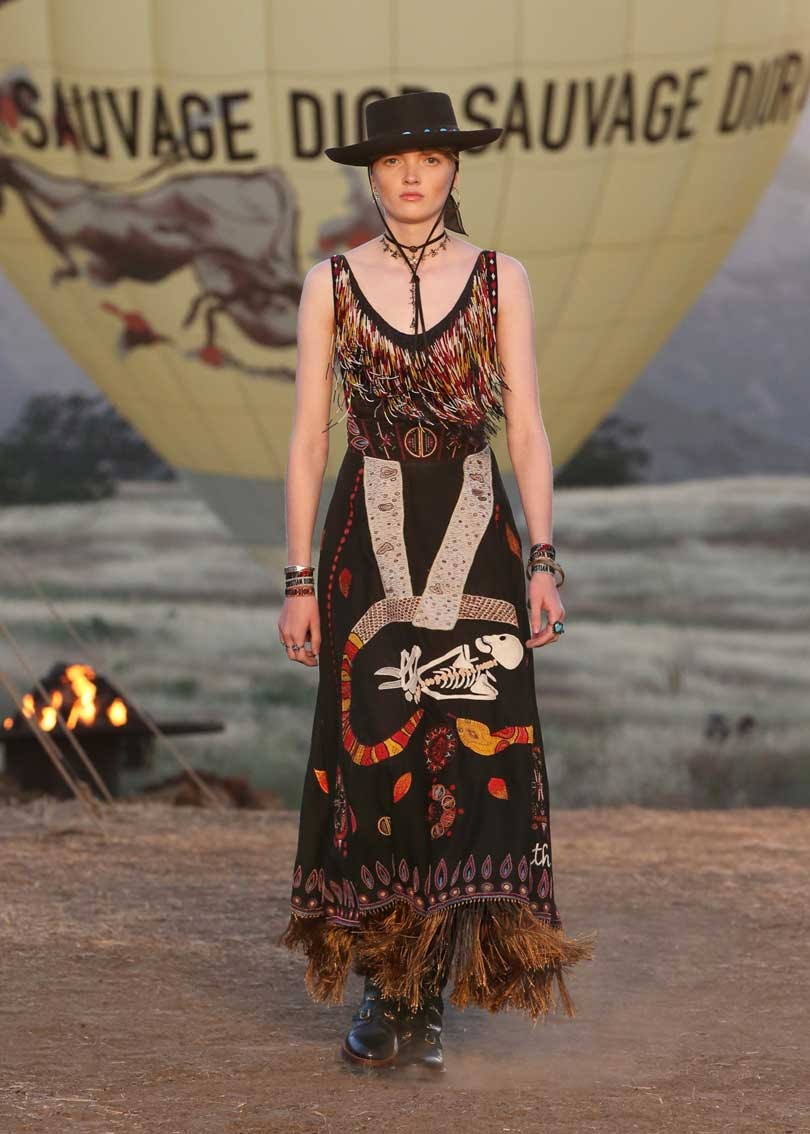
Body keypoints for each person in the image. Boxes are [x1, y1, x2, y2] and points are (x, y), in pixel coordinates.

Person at [277, 90, 597, 1073]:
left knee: (474, 752)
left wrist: (543, 560)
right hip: (365, 540)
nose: (411, 175)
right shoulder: (330, 283)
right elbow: (308, 439)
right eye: (392, 160)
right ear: (370, 176)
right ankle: (391, 986)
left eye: (429, 158)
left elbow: (528, 427)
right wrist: (297, 581)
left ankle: (434, 987)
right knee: (375, 756)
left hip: (477, 527)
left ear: (455, 169)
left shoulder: (502, 278)